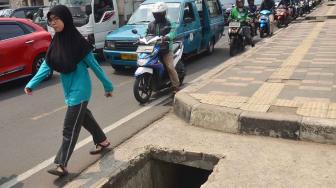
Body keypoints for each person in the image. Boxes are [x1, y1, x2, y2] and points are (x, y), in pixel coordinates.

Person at [24, 5, 113, 177]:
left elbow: (96, 67)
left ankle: (61, 164)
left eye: (56, 19)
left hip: (80, 92)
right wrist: (31, 84)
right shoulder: (56, 41)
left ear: (65, 18)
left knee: (69, 128)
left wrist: (108, 86)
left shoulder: (79, 43)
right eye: (50, 20)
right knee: (85, 118)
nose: (53, 23)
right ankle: (102, 141)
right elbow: (46, 64)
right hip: (70, 91)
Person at [146, 2, 180, 93]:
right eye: (155, 14)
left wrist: (167, 37)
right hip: (153, 49)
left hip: (166, 49)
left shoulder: (169, 23)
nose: (156, 15)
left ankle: (176, 86)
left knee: (170, 67)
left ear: (164, 13)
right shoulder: (151, 24)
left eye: (158, 14)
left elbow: (173, 32)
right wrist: (141, 38)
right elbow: (146, 34)